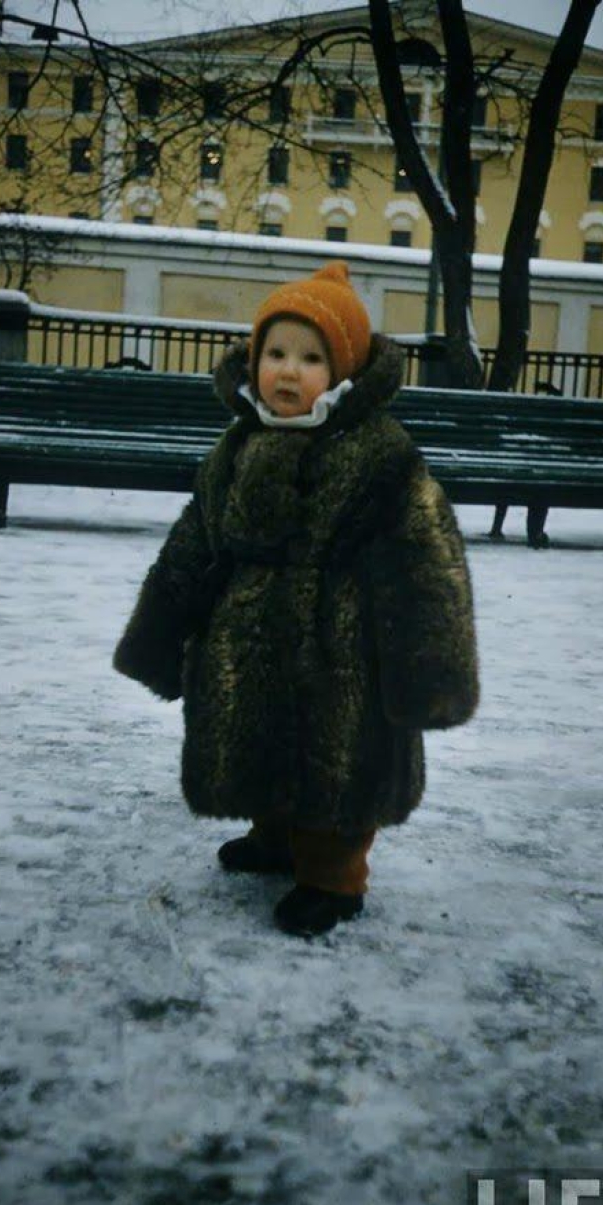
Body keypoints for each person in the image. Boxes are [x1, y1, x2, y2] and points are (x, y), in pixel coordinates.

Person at [113, 262, 479, 937]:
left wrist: (430, 670)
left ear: (341, 370)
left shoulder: (379, 455)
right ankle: (274, 837)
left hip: (343, 649)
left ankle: (334, 878)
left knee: (336, 761)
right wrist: (160, 632)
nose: (287, 371)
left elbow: (426, 561)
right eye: (274, 353)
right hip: (246, 637)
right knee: (254, 735)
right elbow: (197, 539)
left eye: (309, 358)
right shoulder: (238, 443)